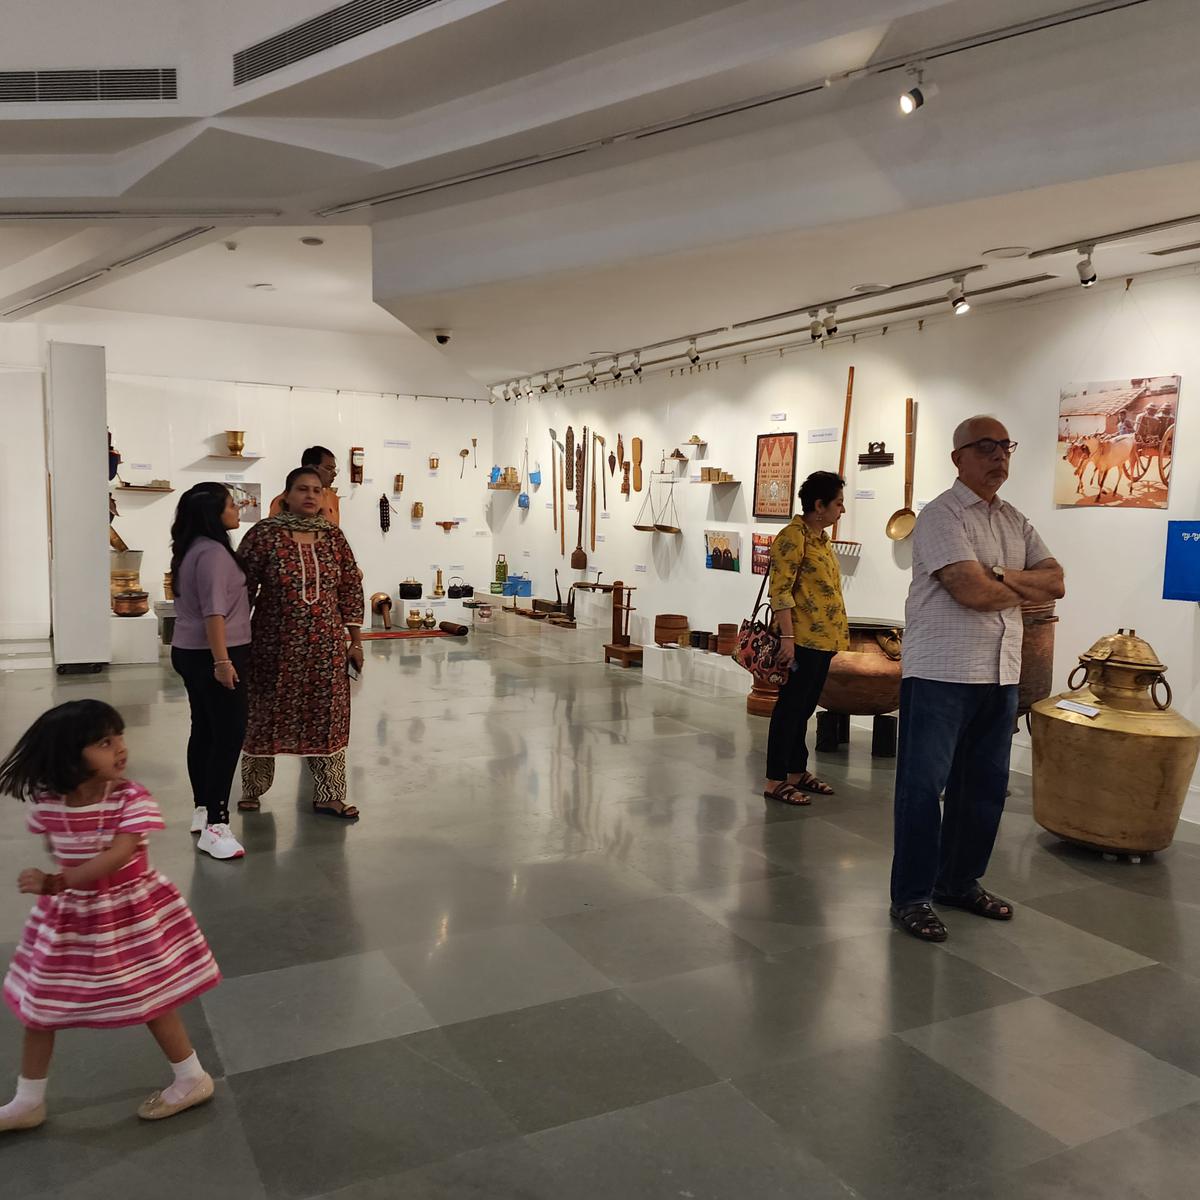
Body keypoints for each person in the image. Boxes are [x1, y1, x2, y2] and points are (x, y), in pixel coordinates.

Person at [0, 701, 221, 1132]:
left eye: (119, 737)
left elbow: (120, 856)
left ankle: (191, 1077)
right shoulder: (49, 803)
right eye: (104, 742)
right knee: (40, 1004)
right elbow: (58, 845)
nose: (120, 748)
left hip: (129, 913)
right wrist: (62, 886)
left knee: (150, 996)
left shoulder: (128, 798)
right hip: (69, 923)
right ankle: (28, 1100)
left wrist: (57, 883)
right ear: (70, 754)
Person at [890, 416, 1064, 943]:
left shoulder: (1015, 521)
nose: (998, 456)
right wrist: (1009, 584)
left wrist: (1001, 575)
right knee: (923, 790)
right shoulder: (942, 516)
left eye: (1005, 446)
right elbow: (970, 591)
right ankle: (912, 896)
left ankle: (958, 883)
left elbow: (1055, 582)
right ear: (957, 458)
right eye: (985, 447)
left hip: (1000, 673)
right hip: (941, 672)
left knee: (985, 789)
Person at [239, 466, 365, 819]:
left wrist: (355, 642)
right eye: (302, 489)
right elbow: (242, 589)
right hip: (272, 645)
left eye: (317, 490)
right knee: (263, 715)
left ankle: (329, 794)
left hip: (324, 647)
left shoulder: (333, 538)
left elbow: (351, 587)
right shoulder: (263, 535)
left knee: (328, 717)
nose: (310, 495)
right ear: (286, 495)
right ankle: (252, 789)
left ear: (325, 496)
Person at [169, 483, 250, 861]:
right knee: (228, 735)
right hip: (216, 653)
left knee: (203, 729)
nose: (237, 510)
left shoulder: (191, 550)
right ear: (213, 514)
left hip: (188, 651)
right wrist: (222, 662)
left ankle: (203, 810)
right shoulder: (215, 553)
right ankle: (217, 824)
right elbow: (213, 613)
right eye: (232, 505)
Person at [761, 471, 849, 805]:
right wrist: (787, 637)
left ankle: (797, 772)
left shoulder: (820, 539)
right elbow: (780, 591)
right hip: (801, 640)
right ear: (819, 505)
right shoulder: (792, 537)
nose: (842, 511)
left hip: (823, 640)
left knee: (804, 708)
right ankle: (775, 779)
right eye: (838, 503)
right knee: (789, 709)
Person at [268, 445, 340, 525]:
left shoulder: (332, 497)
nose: (334, 474)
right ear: (310, 467)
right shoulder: (283, 500)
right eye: (329, 469)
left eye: (316, 491)